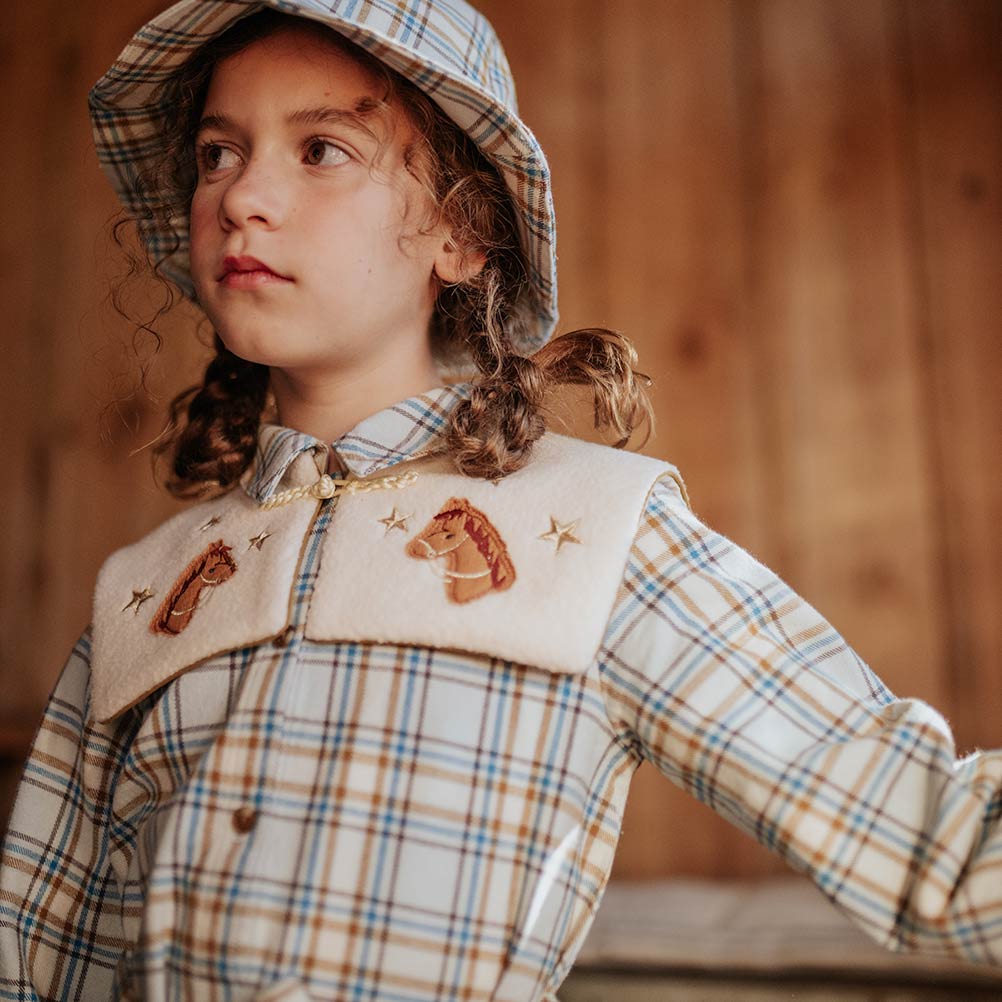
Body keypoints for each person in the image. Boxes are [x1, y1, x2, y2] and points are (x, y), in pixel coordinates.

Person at [1, 0, 999, 999]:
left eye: (321, 150)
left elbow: (929, 838)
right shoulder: (144, 594)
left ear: (463, 232)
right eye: (218, 154)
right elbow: (36, 957)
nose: (242, 197)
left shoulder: (595, 537)